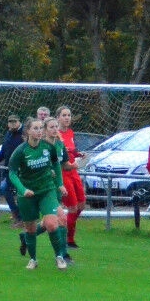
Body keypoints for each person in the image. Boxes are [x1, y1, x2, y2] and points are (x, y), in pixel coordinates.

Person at [9, 117, 68, 270]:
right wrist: (23, 190)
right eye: (35, 128)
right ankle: (33, 260)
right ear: (28, 131)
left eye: (41, 128)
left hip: (47, 190)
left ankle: (59, 257)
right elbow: (12, 173)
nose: (39, 131)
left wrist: (60, 184)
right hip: (27, 194)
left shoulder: (48, 147)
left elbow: (56, 164)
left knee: (52, 224)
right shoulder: (21, 151)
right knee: (30, 229)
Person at [57, 106, 87, 248]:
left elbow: (71, 150)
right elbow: (58, 155)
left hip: (74, 171)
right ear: (58, 117)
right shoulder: (56, 135)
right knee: (73, 207)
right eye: (64, 115)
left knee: (82, 204)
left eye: (69, 115)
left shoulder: (70, 132)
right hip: (64, 172)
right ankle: (68, 239)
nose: (67, 118)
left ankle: (65, 230)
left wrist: (78, 154)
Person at [0, 114, 24, 228]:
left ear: (19, 122)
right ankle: (16, 214)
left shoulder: (24, 134)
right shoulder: (8, 134)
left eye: (15, 122)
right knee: (4, 188)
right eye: (10, 122)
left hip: (21, 171)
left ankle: (22, 219)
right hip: (10, 170)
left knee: (21, 193)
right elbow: (3, 152)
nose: (12, 124)